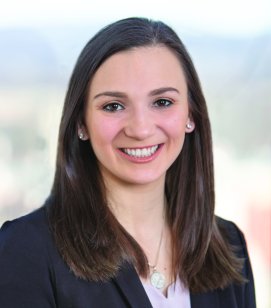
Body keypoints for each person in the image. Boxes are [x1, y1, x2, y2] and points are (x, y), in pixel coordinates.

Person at [0, 17, 256, 308]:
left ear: (190, 115)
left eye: (162, 102)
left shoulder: (228, 246)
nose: (140, 128)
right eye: (114, 106)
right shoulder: (26, 250)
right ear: (81, 123)